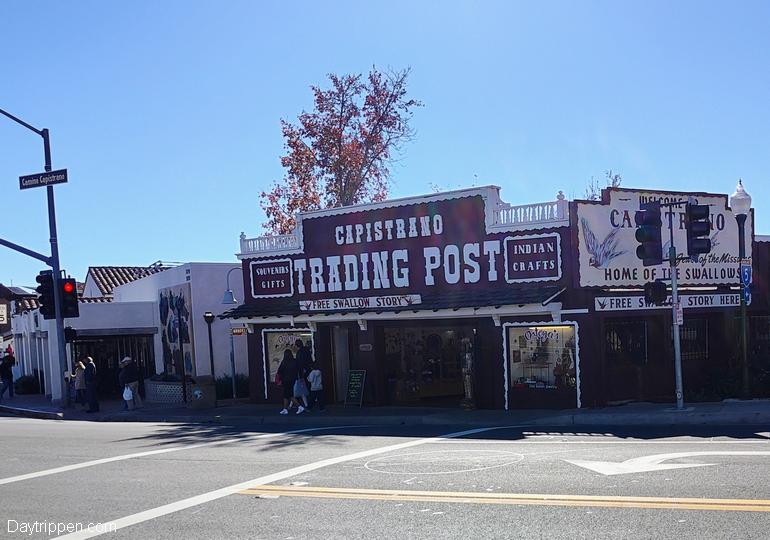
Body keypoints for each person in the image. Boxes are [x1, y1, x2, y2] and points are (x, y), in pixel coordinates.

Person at [277, 348, 303, 415]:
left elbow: (279, 371)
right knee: (287, 395)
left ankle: (299, 406)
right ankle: (285, 409)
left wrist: (279, 379)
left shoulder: (284, 362)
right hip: (293, 380)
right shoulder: (295, 361)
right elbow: (299, 370)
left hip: (285, 380)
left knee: (288, 395)